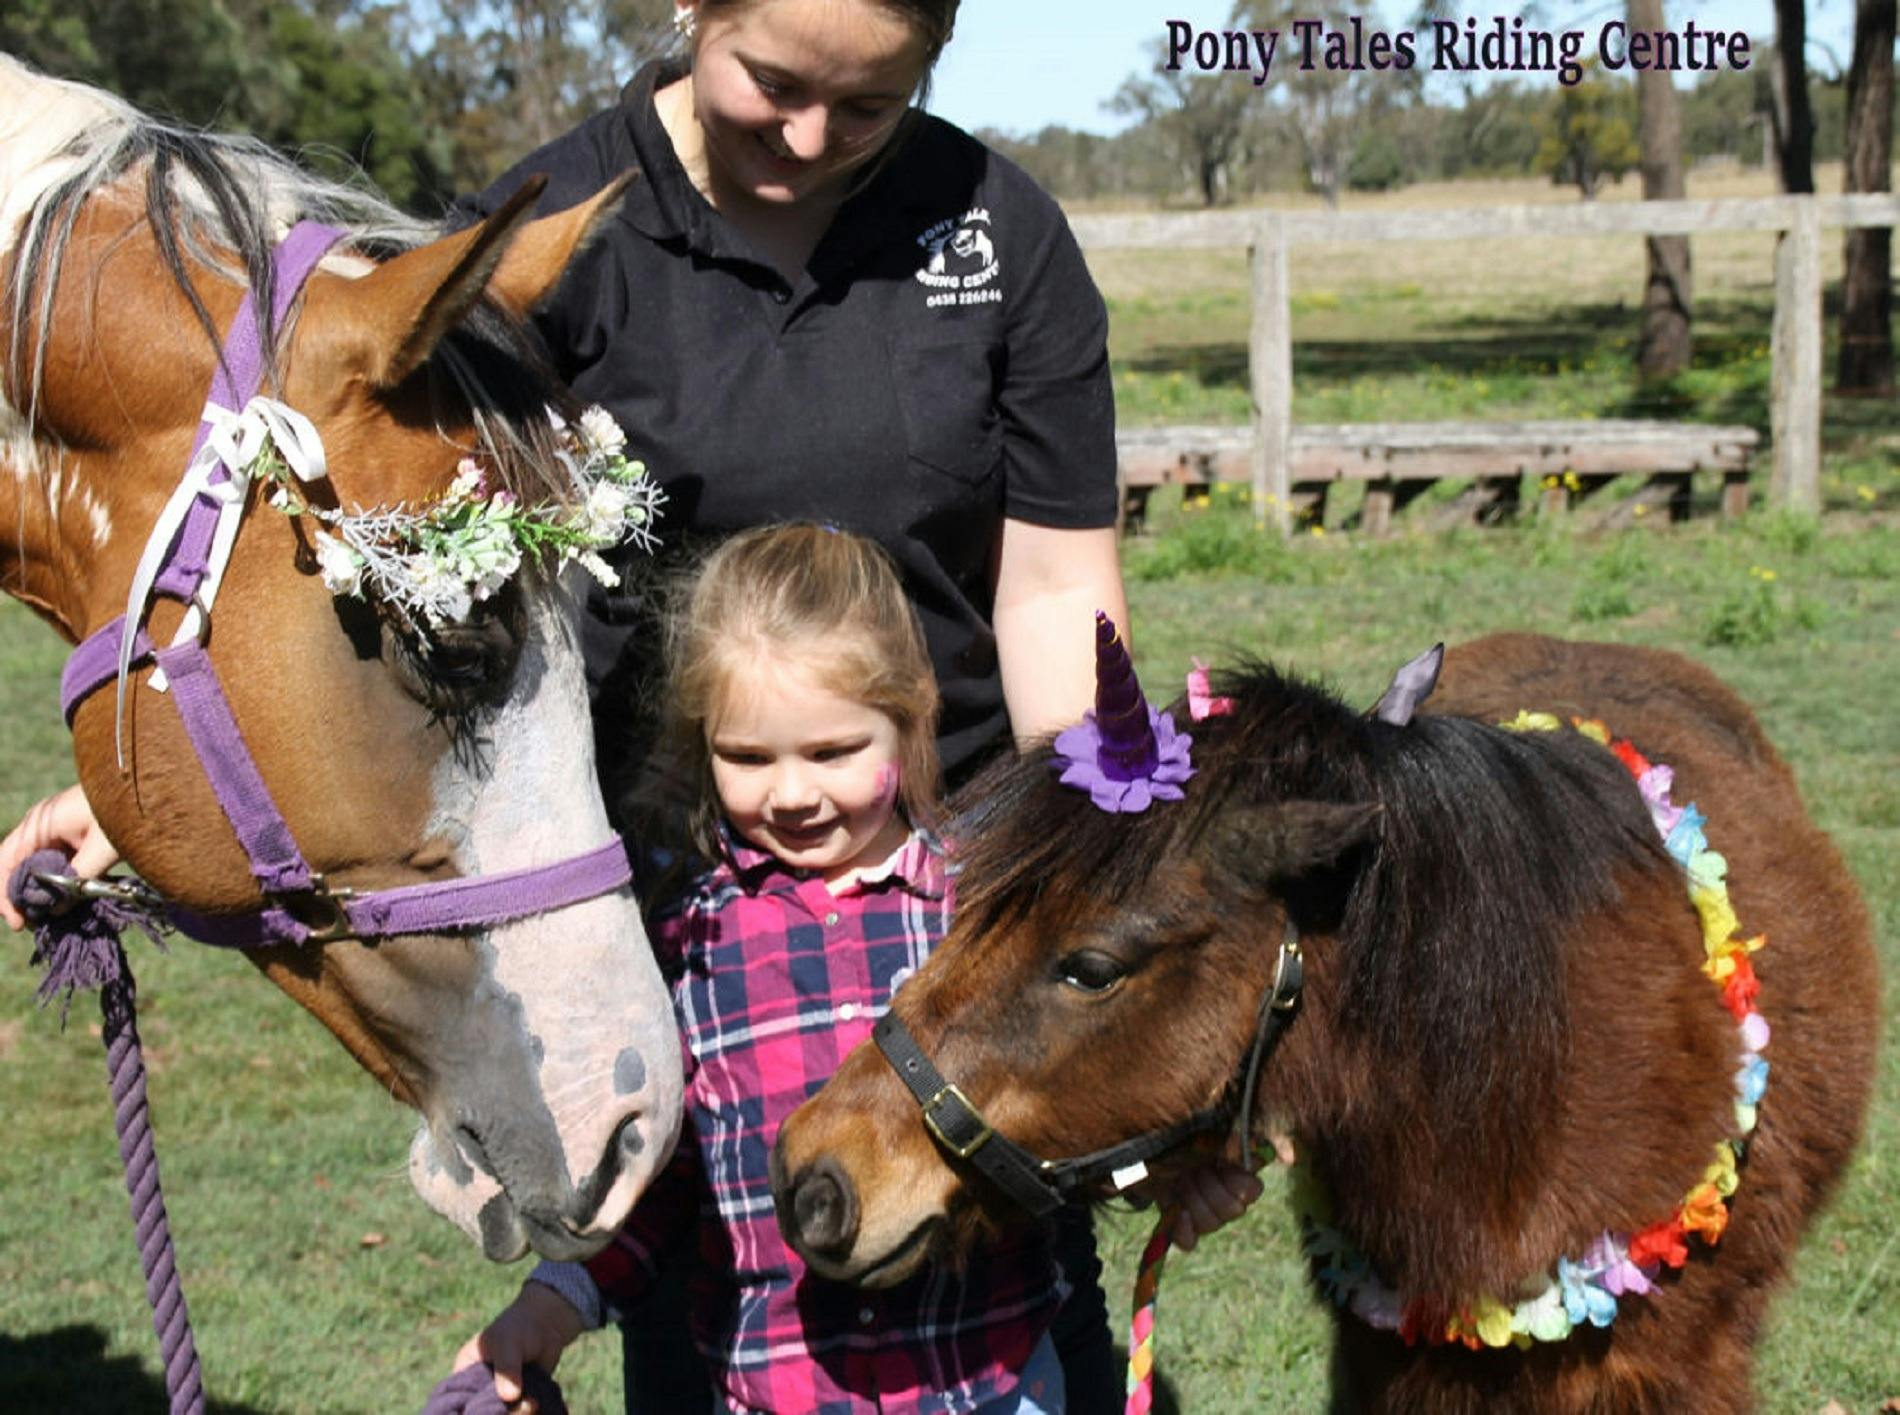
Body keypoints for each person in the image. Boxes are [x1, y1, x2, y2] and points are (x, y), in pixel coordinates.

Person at [451, 523, 1071, 1413]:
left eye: (832, 752)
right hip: (780, 1395)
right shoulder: (688, 941)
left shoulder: (984, 909)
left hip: (993, 1387)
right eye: (747, 757)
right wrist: (555, 1303)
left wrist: (1191, 1163)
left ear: (911, 714)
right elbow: (659, 1184)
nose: (789, 792)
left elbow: (1081, 1095)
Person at [451, 0, 1130, 794]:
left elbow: (1054, 586)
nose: (807, 139)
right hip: (641, 844)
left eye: (868, 106)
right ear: (692, 9)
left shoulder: (997, 227)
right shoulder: (542, 241)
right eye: (774, 84)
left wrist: (1087, 833)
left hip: (948, 822)